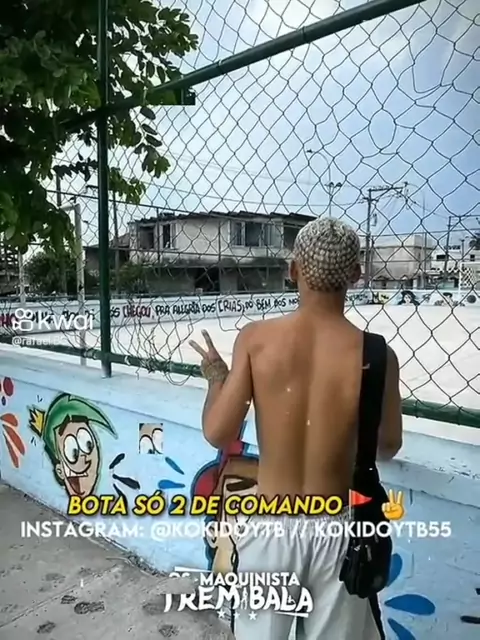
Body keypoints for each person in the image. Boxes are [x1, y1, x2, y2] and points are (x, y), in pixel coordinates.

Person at [190, 217, 403, 640]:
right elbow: (388, 445)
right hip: (338, 527)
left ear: (293, 270)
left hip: (270, 524)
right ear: (356, 274)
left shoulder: (257, 340)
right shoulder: (378, 355)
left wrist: (216, 377)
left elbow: (218, 433)